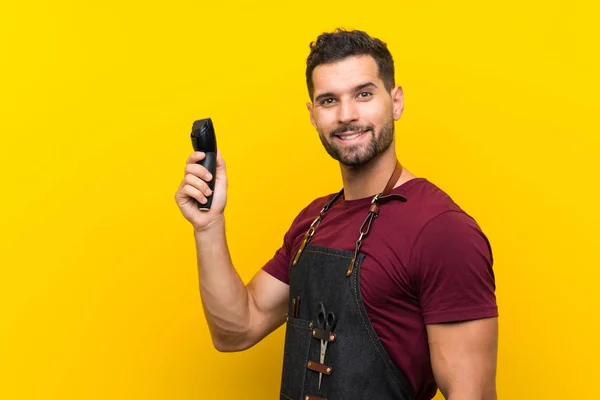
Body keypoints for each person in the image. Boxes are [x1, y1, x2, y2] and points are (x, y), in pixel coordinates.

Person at [174, 28, 498, 400]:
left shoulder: (442, 231)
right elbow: (236, 330)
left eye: (363, 94)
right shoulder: (313, 221)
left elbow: (471, 393)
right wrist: (208, 226)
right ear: (313, 115)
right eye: (329, 101)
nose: (346, 115)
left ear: (396, 102)